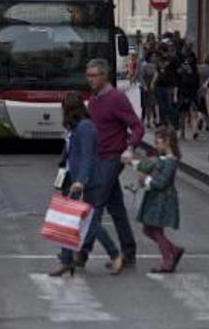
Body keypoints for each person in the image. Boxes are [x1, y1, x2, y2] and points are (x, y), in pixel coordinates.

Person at [49, 92, 124, 277]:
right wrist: (63, 168)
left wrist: (81, 181)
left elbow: (88, 157)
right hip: (71, 179)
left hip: (85, 183)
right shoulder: (75, 128)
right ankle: (66, 261)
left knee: (88, 223)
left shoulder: (85, 128)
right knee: (67, 220)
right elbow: (71, 152)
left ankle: (115, 254)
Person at [81, 58, 144, 267]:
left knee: (95, 205)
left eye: (93, 76)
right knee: (116, 206)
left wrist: (130, 147)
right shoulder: (95, 99)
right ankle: (129, 251)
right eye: (88, 75)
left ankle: (82, 254)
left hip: (112, 157)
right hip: (97, 158)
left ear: (104, 76)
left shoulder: (117, 98)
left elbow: (137, 127)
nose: (89, 80)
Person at [128, 127, 185, 273]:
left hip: (163, 198)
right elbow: (148, 166)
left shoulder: (171, 161)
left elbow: (161, 182)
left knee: (156, 230)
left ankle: (167, 260)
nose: (156, 145)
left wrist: (146, 179)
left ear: (167, 142)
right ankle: (174, 250)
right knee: (148, 229)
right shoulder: (162, 158)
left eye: (158, 142)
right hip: (155, 197)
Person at [176, 53, 200, 141]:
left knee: (193, 113)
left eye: (189, 59)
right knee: (183, 115)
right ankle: (183, 133)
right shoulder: (181, 71)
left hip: (191, 94)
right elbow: (177, 83)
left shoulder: (195, 71)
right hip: (184, 94)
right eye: (186, 60)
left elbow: (197, 84)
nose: (188, 62)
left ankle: (195, 131)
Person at [155, 48, 180, 129]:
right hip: (160, 85)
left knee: (169, 106)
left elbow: (178, 70)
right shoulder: (158, 61)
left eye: (164, 51)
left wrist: (175, 84)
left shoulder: (172, 60)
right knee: (161, 106)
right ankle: (164, 124)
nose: (163, 53)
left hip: (169, 85)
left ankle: (173, 123)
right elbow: (157, 72)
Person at [139, 52, 159, 128]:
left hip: (153, 87)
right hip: (146, 87)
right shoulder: (144, 65)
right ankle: (148, 121)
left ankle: (154, 119)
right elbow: (141, 76)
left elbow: (157, 75)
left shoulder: (156, 65)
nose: (154, 58)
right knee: (147, 105)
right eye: (153, 56)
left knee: (154, 104)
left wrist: (153, 82)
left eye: (155, 56)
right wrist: (144, 86)